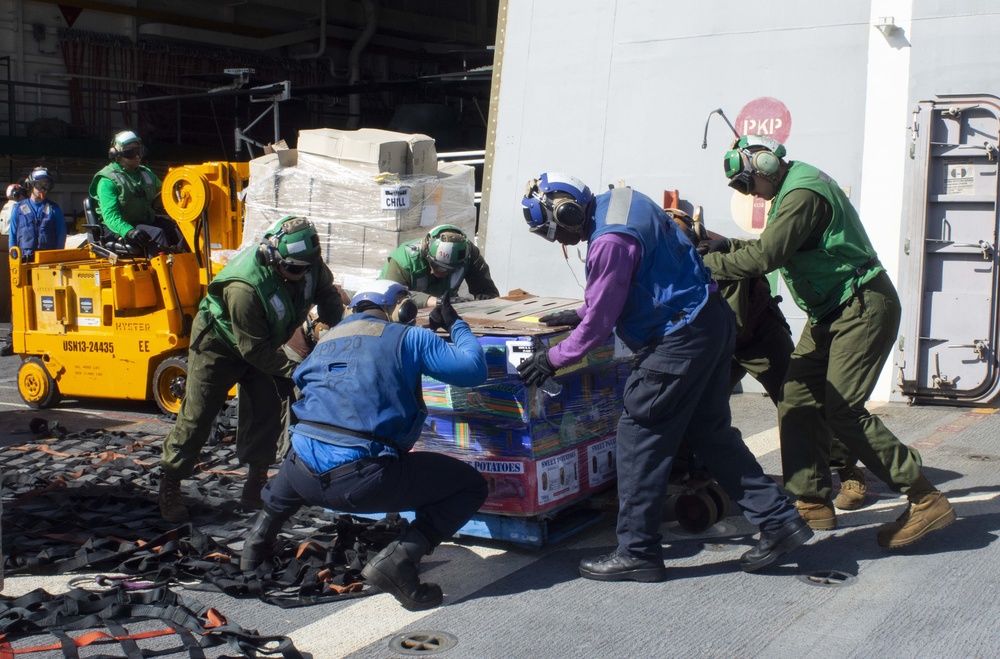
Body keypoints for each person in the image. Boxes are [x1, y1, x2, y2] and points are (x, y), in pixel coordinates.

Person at [519, 172, 812, 581]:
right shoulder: (625, 199)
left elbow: (600, 325)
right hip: (710, 320)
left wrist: (553, 358)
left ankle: (637, 551)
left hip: (677, 341)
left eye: (556, 234)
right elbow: (645, 277)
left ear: (564, 213)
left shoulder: (607, 242)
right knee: (711, 434)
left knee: (639, 437)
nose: (563, 243)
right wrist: (582, 310)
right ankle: (780, 521)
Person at [701, 135, 955, 547]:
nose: (753, 196)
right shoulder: (789, 189)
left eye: (750, 185)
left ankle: (924, 497)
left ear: (764, 165)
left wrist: (704, 262)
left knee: (843, 411)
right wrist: (729, 245)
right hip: (830, 312)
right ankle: (812, 502)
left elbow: (765, 259)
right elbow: (774, 245)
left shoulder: (801, 193)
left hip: (862, 305)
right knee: (797, 398)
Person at [239, 281, 488, 612]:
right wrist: (456, 325)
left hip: (300, 477)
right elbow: (473, 369)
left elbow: (303, 384)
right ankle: (400, 560)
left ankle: (255, 545)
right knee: (470, 485)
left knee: (310, 445)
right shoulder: (411, 338)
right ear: (401, 308)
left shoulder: (326, 341)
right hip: (363, 483)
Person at [672, 211, 868, 511]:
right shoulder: (666, 259)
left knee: (802, 403)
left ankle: (846, 469)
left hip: (759, 337)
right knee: (691, 408)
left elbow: (735, 312)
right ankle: (688, 472)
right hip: (717, 344)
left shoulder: (721, 251)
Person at [158, 216, 345, 523]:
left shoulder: (308, 264)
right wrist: (301, 370)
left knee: (266, 411)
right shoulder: (244, 287)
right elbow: (253, 351)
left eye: (306, 268)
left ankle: (255, 482)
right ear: (273, 258)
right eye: (294, 269)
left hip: (265, 340)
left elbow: (326, 293)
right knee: (198, 415)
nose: (301, 275)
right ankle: (171, 480)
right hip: (220, 345)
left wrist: (335, 329)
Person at [89, 130, 185, 253]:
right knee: (157, 234)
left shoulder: (146, 173)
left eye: (139, 152)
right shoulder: (107, 180)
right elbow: (111, 216)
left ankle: (189, 264)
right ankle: (164, 270)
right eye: (131, 153)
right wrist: (129, 231)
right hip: (119, 228)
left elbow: (166, 193)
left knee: (179, 228)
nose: (137, 156)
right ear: (116, 155)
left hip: (144, 222)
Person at [380, 224, 499, 308]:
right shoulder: (404, 260)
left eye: (451, 270)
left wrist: (484, 302)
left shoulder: (469, 254)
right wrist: (436, 301)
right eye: (438, 266)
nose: (443, 273)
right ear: (427, 254)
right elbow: (392, 296)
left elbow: (487, 292)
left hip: (444, 309)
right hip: (399, 310)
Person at [9, 167, 67, 262]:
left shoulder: (54, 209)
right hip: (24, 261)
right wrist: (14, 258)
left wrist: (57, 258)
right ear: (31, 184)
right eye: (39, 184)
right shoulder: (18, 209)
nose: (42, 189)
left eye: (46, 185)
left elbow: (61, 236)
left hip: (46, 261)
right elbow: (13, 235)